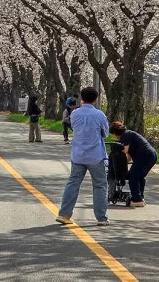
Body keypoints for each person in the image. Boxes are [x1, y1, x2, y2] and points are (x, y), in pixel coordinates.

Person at [56, 86, 110, 226]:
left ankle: (64, 214)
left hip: (78, 155)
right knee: (100, 185)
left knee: (73, 183)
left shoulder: (75, 114)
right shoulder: (99, 115)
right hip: (95, 155)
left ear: (81, 98)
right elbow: (105, 133)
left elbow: (73, 127)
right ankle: (101, 218)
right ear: (96, 99)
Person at [109, 121, 158, 208]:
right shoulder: (129, 134)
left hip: (144, 155)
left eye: (113, 134)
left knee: (133, 176)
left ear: (116, 133)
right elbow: (128, 157)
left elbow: (125, 150)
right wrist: (121, 165)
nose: (114, 136)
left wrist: (117, 149)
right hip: (151, 155)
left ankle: (136, 199)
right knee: (139, 176)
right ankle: (140, 198)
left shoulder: (125, 135)